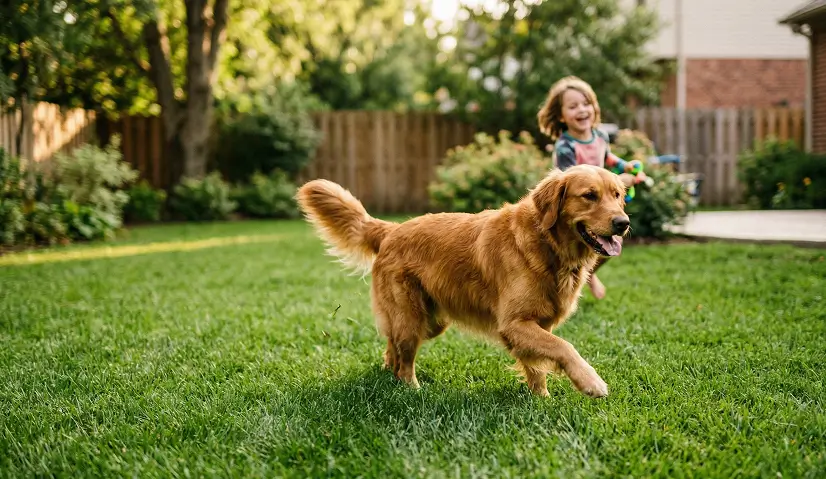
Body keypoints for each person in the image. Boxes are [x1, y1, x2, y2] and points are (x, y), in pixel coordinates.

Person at [536, 75, 641, 300]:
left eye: (586, 104)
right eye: (573, 106)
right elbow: (573, 178)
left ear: (595, 107)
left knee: (613, 243)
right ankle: (587, 274)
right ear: (561, 116)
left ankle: (586, 271)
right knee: (589, 240)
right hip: (584, 203)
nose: (582, 110)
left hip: (601, 203)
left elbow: (608, 158)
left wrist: (626, 167)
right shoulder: (566, 145)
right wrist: (620, 180)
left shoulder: (600, 136)